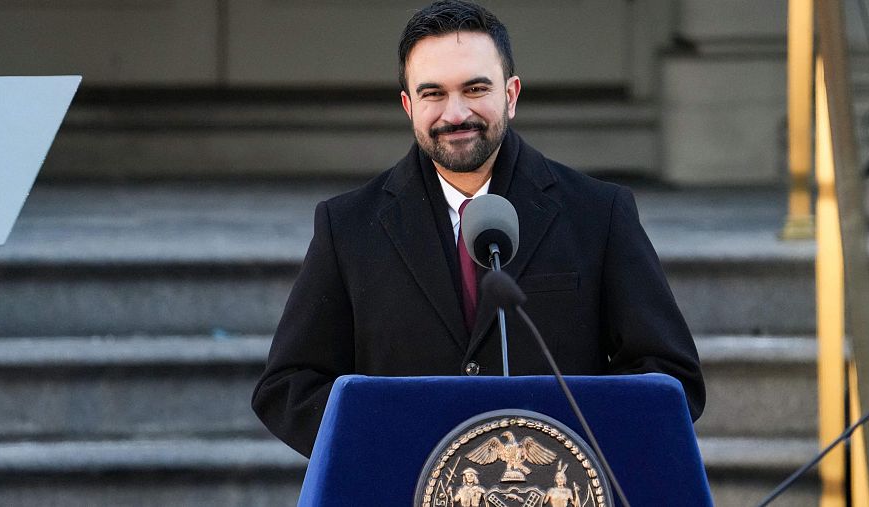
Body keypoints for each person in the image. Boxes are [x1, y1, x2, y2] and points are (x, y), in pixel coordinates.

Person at [252, 0, 704, 458]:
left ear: (511, 94)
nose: (455, 114)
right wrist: (390, 446)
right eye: (433, 94)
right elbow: (288, 387)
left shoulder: (600, 213)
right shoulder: (346, 226)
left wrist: (574, 452)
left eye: (475, 89)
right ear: (408, 105)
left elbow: (671, 378)